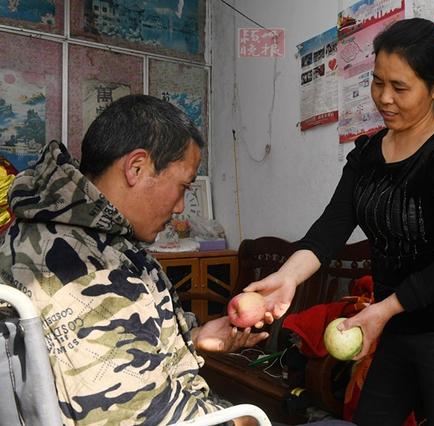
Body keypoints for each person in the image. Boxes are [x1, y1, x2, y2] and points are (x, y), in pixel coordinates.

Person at [246, 18, 434, 426]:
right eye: (377, 82)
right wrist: (288, 278)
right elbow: (331, 227)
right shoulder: (367, 154)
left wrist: (385, 310)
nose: (384, 98)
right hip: (392, 329)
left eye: (400, 87)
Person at [0, 95, 269, 425]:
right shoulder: (80, 268)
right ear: (136, 167)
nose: (181, 207)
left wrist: (194, 338)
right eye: (182, 186)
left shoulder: (85, 236)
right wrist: (243, 421)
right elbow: (139, 415)